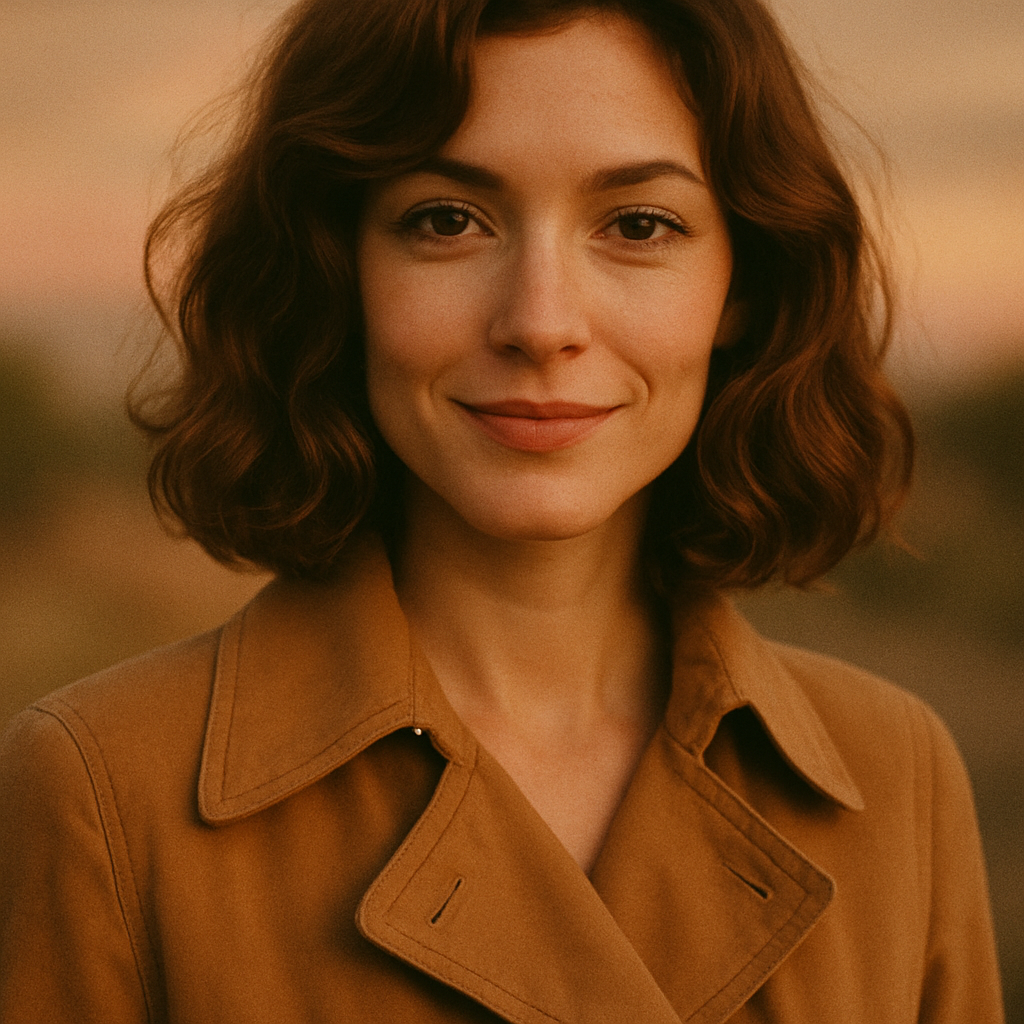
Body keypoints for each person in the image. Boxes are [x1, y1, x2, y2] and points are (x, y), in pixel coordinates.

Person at [0, 0, 1004, 1020]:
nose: (539, 321)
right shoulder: (100, 791)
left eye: (638, 225)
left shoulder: (898, 775)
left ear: (739, 281)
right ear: (339, 267)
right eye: (445, 219)